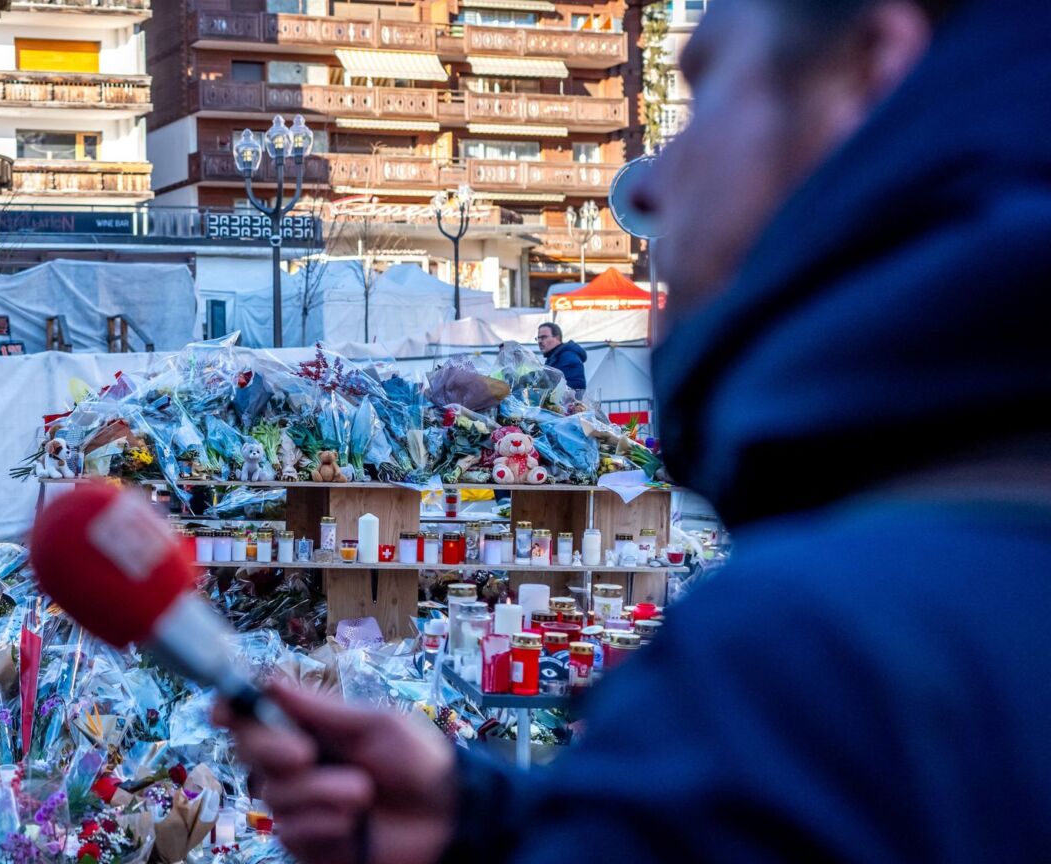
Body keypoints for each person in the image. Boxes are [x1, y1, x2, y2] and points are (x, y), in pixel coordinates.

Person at [218, 0, 1051, 862]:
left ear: (870, 70)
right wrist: (488, 829)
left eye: (702, 93)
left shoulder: (801, 662)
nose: (650, 186)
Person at [536, 322, 586, 394]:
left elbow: (576, 387)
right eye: (538, 338)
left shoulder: (568, 357)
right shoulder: (554, 358)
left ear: (557, 338)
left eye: (544, 337)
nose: (540, 341)